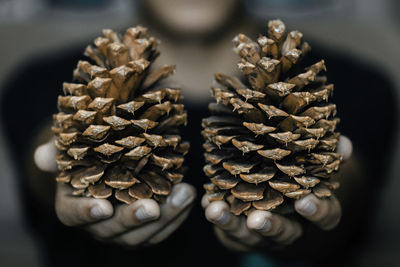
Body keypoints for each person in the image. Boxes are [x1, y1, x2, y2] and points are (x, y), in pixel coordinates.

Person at [1, 0, 396, 266]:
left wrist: (314, 191)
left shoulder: (353, 84)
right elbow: (43, 156)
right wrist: (65, 163)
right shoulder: (41, 81)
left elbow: (350, 182)